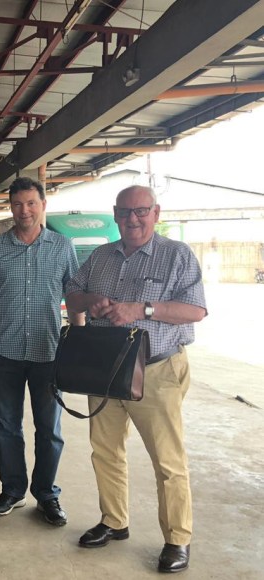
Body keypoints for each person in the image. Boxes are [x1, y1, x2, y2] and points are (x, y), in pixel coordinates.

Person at [65, 185, 207, 574]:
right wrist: (90, 301)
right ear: (115, 215)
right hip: (105, 368)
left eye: (141, 211)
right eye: (125, 212)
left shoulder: (176, 255)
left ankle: (177, 538)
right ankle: (114, 521)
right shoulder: (100, 256)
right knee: (105, 449)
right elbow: (72, 293)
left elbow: (195, 310)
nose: (133, 219)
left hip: (157, 369)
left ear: (155, 213)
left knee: (167, 459)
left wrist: (142, 309)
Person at [0, 176, 81, 526]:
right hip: (4, 352)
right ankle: (13, 490)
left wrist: (77, 344)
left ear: (43, 205)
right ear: (11, 207)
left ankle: (46, 494)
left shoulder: (62, 247)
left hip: (49, 353)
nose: (24, 210)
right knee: (7, 425)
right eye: (18, 204)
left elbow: (75, 297)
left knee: (49, 428)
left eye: (31, 203)